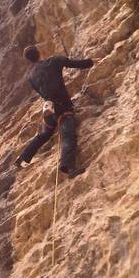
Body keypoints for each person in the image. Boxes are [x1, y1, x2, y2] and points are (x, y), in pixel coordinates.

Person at [15, 45, 94, 178]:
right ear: (39, 52)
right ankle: (69, 167)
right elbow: (73, 63)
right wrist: (91, 62)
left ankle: (23, 158)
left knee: (45, 134)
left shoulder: (31, 76)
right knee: (68, 133)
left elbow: (40, 92)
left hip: (49, 109)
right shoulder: (54, 61)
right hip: (62, 106)